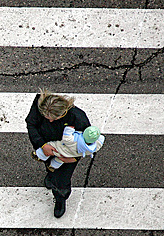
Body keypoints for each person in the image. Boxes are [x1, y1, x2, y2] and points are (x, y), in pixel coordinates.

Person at [25, 90, 91, 218]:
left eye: (52, 118)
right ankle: (50, 174)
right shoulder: (39, 105)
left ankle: (60, 198)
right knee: (49, 166)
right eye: (46, 117)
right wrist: (42, 145)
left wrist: (72, 159)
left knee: (61, 180)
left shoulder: (78, 118)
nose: (49, 121)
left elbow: (87, 145)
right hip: (46, 148)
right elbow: (31, 123)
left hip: (67, 155)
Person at [31, 125, 105, 172]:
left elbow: (66, 138)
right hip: (69, 156)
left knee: (50, 146)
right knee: (59, 160)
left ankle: (39, 155)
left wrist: (69, 129)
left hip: (60, 149)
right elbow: (100, 141)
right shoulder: (93, 148)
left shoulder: (74, 141)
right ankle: (52, 166)